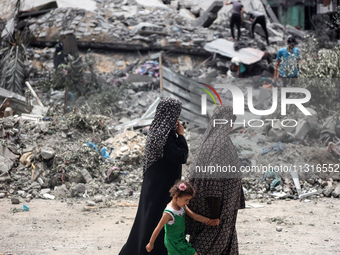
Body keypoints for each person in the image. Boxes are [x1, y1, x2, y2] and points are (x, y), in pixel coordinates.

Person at [119, 97, 189, 255]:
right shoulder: (167, 137)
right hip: (163, 188)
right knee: (157, 222)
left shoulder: (156, 131)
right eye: (176, 114)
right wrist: (182, 135)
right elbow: (181, 157)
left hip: (153, 186)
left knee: (147, 220)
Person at [186, 105, 246, 255]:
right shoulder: (221, 143)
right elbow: (213, 179)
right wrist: (214, 214)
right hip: (218, 209)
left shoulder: (210, 140)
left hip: (212, 205)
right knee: (210, 246)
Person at [146, 180, 219, 255]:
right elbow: (158, 228)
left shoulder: (182, 206)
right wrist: (151, 243)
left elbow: (194, 215)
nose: (187, 203)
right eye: (186, 200)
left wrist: (209, 220)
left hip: (181, 240)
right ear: (176, 196)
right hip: (173, 243)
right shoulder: (168, 213)